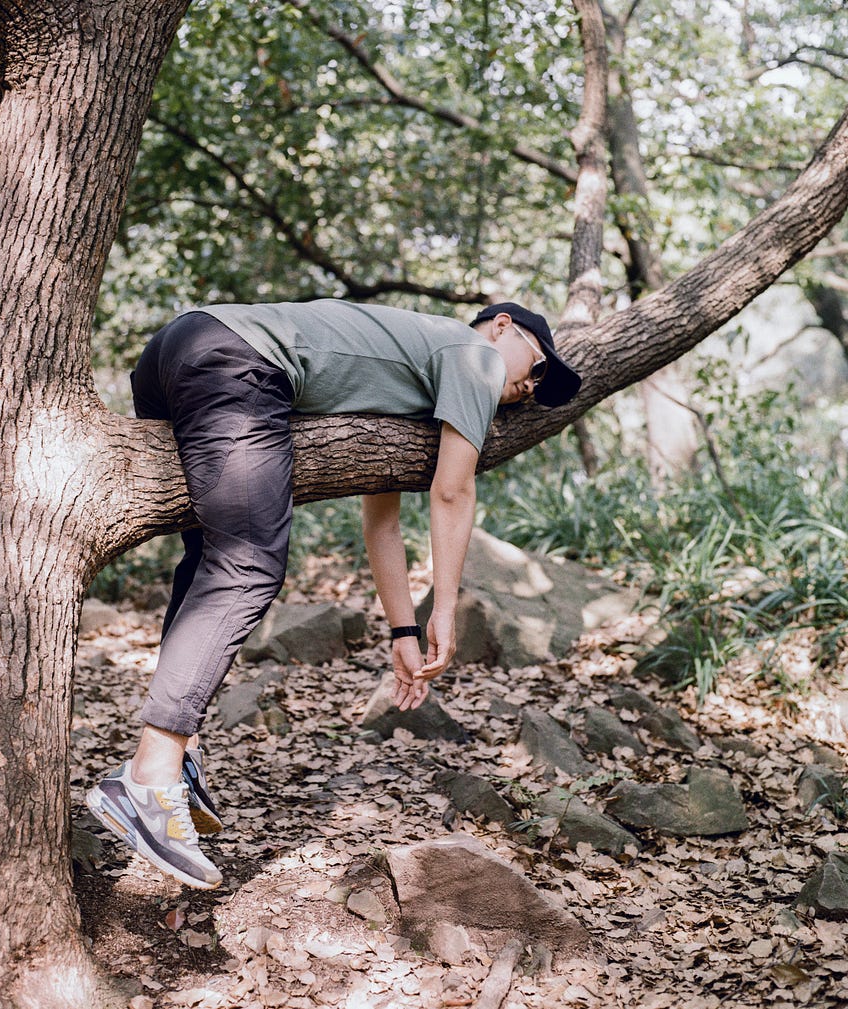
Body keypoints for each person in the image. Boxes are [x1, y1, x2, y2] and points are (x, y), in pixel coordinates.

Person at [86, 299, 582, 889]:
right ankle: (148, 776)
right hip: (237, 359)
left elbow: (383, 522)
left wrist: (402, 630)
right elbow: (452, 493)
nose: (531, 385)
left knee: (210, 560)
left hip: (176, 350)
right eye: (540, 366)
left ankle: (177, 752)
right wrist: (443, 608)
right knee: (249, 566)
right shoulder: (472, 354)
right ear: (503, 326)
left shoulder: (414, 367)